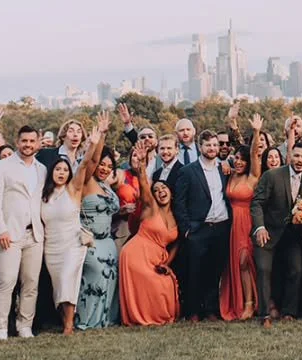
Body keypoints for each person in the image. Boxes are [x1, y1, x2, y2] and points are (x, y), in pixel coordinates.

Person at [0, 124, 49, 340]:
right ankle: (0, 328)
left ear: (38, 142)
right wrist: (0, 229)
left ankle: (25, 326)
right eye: (24, 141)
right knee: (7, 280)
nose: (28, 145)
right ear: (17, 141)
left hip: (35, 234)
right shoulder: (1, 167)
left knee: (31, 282)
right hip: (9, 234)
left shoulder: (41, 169)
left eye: (32, 141)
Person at [42, 144, 103, 336]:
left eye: (65, 170)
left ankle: (68, 326)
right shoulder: (44, 195)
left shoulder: (73, 189)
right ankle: (66, 319)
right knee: (58, 284)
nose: (61, 173)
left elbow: (84, 164)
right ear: (52, 172)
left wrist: (93, 143)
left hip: (72, 244)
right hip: (51, 246)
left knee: (68, 279)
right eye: (58, 169)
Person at [172, 130, 232, 322]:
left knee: (215, 271)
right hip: (199, 228)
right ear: (200, 147)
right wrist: (187, 228)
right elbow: (179, 203)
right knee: (195, 271)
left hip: (221, 226)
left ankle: (211, 310)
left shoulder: (224, 169)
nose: (213, 148)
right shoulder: (188, 171)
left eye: (215, 145)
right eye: (208, 145)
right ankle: (193, 311)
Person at [250, 139, 302, 327]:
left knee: (296, 270)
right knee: (263, 270)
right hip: (267, 233)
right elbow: (257, 203)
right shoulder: (272, 175)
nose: (300, 159)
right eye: (297, 155)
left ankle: (289, 311)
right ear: (289, 156)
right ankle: (264, 315)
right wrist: (259, 227)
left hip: (292, 237)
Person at [119, 159, 180, 327]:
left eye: (163, 188)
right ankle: (143, 318)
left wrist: (167, 263)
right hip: (136, 254)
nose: (160, 191)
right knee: (154, 282)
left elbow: (176, 243)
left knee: (166, 282)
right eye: (156, 190)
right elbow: (145, 185)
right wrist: (141, 169)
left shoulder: (177, 216)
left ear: (171, 192)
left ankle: (158, 317)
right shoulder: (150, 207)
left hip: (157, 258)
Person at [219, 115, 267, 322]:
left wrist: (256, 132)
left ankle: (251, 303)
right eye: (236, 158)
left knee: (246, 262)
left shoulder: (252, 177)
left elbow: (256, 154)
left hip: (249, 222)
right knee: (239, 265)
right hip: (234, 226)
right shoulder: (231, 174)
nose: (238, 162)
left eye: (242, 159)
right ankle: (246, 301)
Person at [76, 117, 121, 330]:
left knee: (109, 281)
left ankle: (105, 321)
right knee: (92, 282)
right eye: (102, 164)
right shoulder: (85, 181)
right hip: (91, 242)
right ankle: (87, 322)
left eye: (109, 166)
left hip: (109, 243)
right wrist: (101, 135)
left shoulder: (106, 186)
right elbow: (90, 162)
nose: (104, 168)